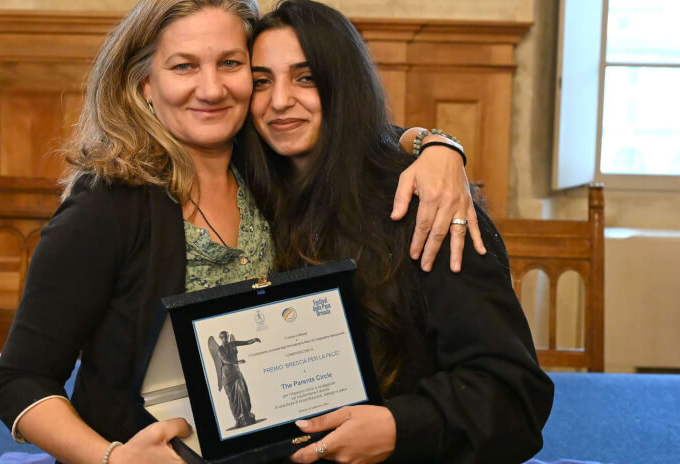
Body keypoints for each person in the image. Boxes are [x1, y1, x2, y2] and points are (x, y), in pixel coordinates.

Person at [0, 1, 487, 463]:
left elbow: (350, 130)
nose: (211, 89)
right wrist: (113, 458)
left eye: (230, 64)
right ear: (145, 85)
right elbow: (21, 380)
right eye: (184, 66)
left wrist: (435, 146)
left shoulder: (271, 170)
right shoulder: (107, 204)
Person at [237, 1, 554, 463]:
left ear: (344, 85)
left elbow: (514, 397)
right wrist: (433, 140)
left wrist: (398, 427)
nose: (279, 100)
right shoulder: (242, 192)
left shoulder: (427, 203)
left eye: (306, 78)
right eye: (262, 81)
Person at [208, 331, 262, 429]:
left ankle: (247, 413)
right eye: (223, 337)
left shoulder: (233, 344)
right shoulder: (220, 349)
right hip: (227, 376)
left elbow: (246, 342)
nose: (225, 339)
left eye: (226, 337)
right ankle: (238, 419)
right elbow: (225, 360)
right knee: (232, 398)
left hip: (237, 373)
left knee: (244, 391)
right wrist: (237, 361)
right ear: (221, 338)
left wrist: (254, 340)